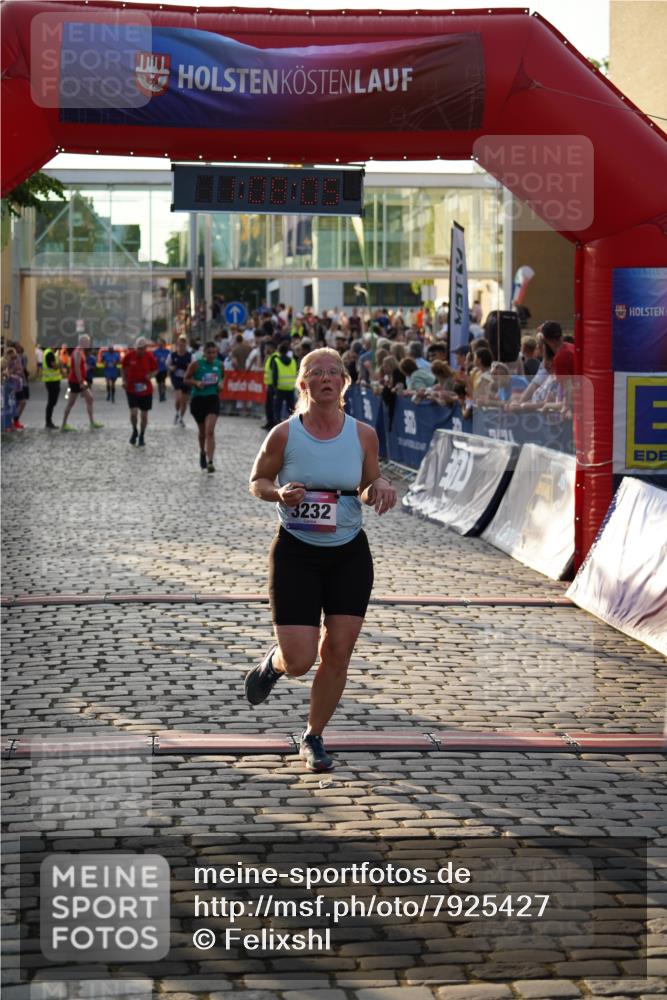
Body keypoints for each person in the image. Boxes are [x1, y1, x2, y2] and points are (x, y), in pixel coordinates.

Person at [245, 347, 397, 773]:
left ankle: (313, 736)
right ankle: (273, 663)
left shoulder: (363, 434)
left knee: (339, 651)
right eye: (317, 372)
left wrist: (380, 487)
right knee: (299, 661)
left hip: (349, 552)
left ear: (344, 382)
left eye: (334, 372)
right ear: (303, 383)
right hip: (296, 552)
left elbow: (368, 483)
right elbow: (257, 480)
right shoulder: (284, 434)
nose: (326, 378)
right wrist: (278, 494)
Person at [184, 340, 223, 472]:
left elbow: (222, 378)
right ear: (204, 353)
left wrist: (221, 385)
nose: (211, 355)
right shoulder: (196, 364)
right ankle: (202, 452)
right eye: (209, 353)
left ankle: (210, 461)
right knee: (202, 432)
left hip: (213, 399)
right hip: (198, 400)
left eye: (214, 353)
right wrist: (196, 382)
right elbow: (186, 379)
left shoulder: (220, 365)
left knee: (209, 431)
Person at [60, 335, 103, 432]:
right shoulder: (78, 351)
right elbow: (76, 368)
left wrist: (85, 368)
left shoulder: (80, 351)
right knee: (71, 403)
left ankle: (92, 422)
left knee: (89, 399)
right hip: (76, 381)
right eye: (87, 342)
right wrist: (80, 382)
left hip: (79, 380)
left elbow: (79, 366)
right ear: (82, 342)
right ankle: (63, 425)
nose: (89, 344)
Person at [121, 336, 158, 446]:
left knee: (144, 415)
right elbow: (123, 369)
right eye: (139, 348)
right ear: (136, 347)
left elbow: (156, 369)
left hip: (146, 390)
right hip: (132, 389)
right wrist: (124, 380)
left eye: (143, 348)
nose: (141, 351)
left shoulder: (149, 356)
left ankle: (142, 434)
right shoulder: (129, 356)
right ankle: (134, 430)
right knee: (133, 413)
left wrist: (150, 375)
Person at [271, 337, 298, 427]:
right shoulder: (293, 361)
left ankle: (277, 426)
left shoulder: (277, 361)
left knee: (277, 408)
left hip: (279, 388)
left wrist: (274, 387)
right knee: (291, 409)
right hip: (290, 388)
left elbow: (274, 375)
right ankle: (294, 425)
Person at [168, 335, 192, 426]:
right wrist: (171, 368)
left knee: (184, 400)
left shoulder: (190, 356)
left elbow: (194, 367)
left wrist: (189, 368)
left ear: (186, 345)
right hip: (176, 378)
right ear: (177, 345)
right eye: (180, 345)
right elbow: (168, 364)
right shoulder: (172, 355)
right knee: (178, 398)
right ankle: (177, 413)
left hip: (186, 379)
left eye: (183, 345)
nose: (181, 347)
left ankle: (181, 418)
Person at [42, 344, 63, 428]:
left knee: (52, 402)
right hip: (51, 381)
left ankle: (48, 421)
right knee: (51, 402)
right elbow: (54, 366)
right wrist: (60, 365)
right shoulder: (49, 354)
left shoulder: (52, 353)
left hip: (54, 381)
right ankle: (48, 422)